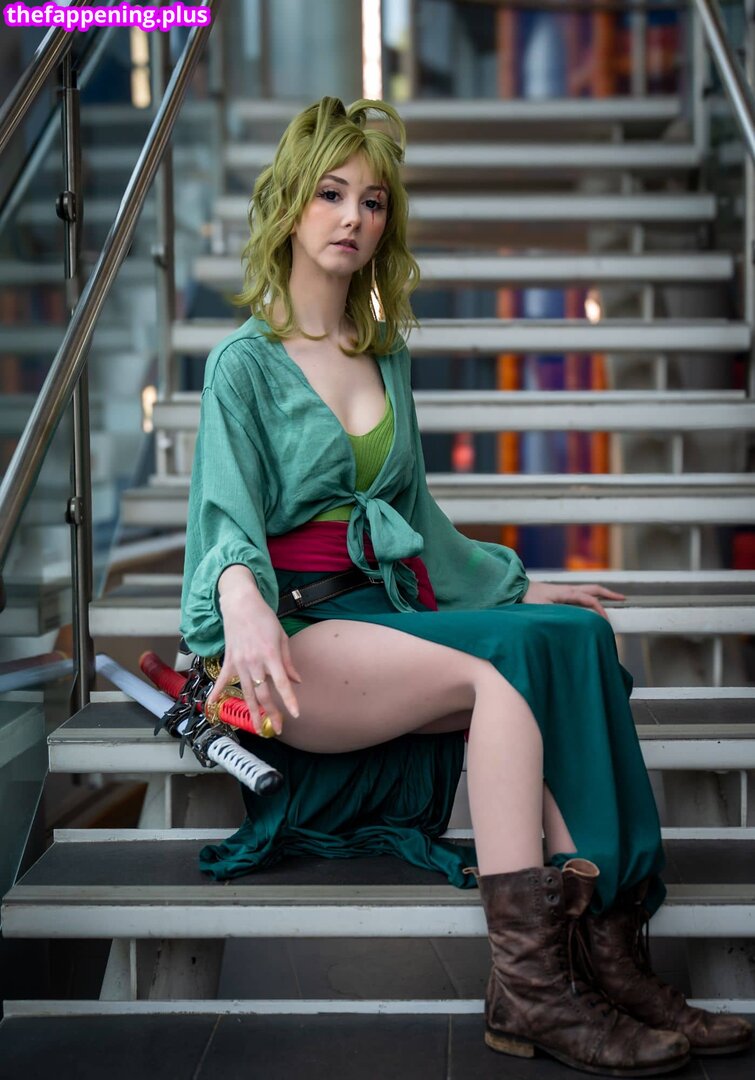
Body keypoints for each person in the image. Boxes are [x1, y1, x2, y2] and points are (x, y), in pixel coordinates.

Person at [180, 96, 751, 1073]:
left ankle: (608, 954)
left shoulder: (384, 356)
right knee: (506, 676)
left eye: (371, 202)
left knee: (575, 640)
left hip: (388, 614)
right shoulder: (244, 364)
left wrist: (511, 590)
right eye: (329, 194)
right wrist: (240, 604)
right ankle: (528, 986)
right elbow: (223, 520)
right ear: (288, 203)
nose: (351, 217)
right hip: (296, 638)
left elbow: (418, 519)